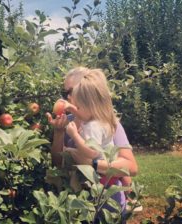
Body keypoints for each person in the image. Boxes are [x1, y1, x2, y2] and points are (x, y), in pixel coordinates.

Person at [46, 67, 139, 221]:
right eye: (65, 93)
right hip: (76, 204)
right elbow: (57, 164)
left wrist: (93, 164)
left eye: (72, 91)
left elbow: (131, 167)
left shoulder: (107, 123)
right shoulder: (67, 123)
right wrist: (58, 132)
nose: (68, 97)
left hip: (106, 200)